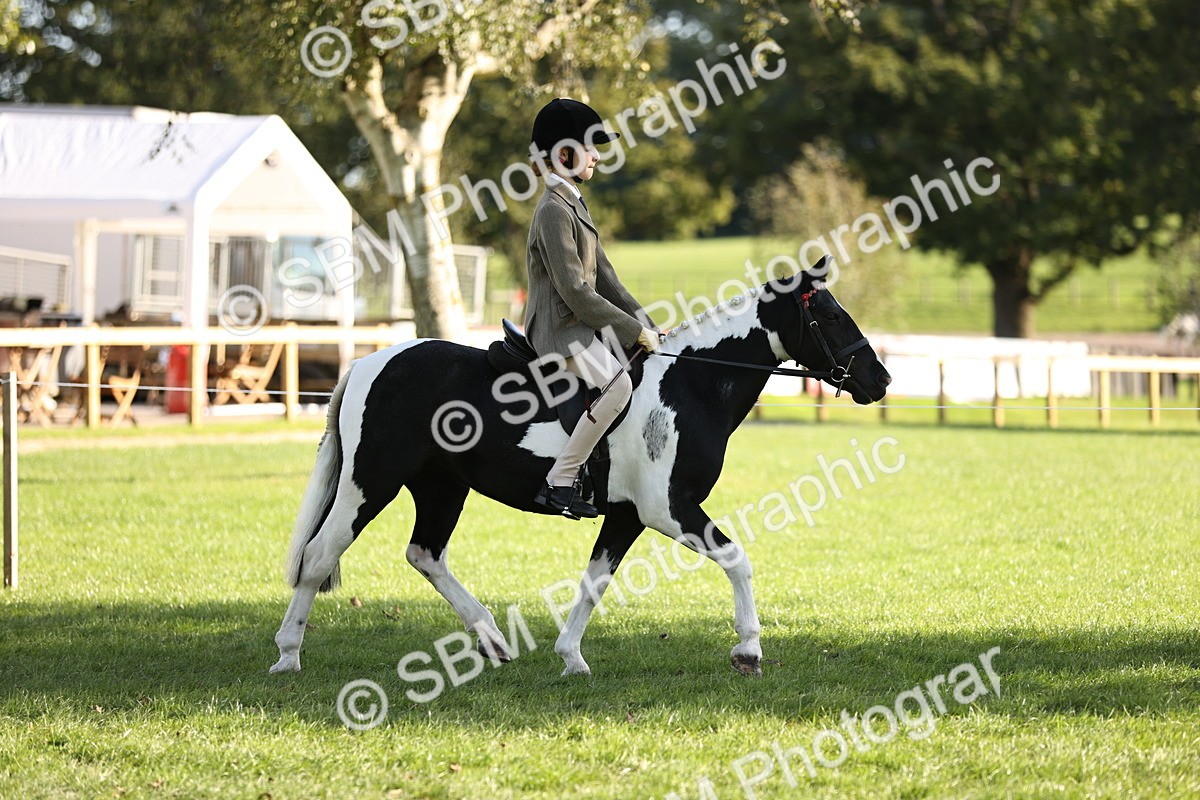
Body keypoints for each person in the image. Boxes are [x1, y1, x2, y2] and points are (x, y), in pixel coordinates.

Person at [524, 98, 662, 520]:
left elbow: (607, 281)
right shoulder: (551, 210)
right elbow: (576, 292)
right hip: (558, 330)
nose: (599, 155)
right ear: (565, 154)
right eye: (591, 147)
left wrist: (649, 325)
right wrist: (631, 333)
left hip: (577, 328)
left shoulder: (573, 205)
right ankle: (560, 481)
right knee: (618, 385)